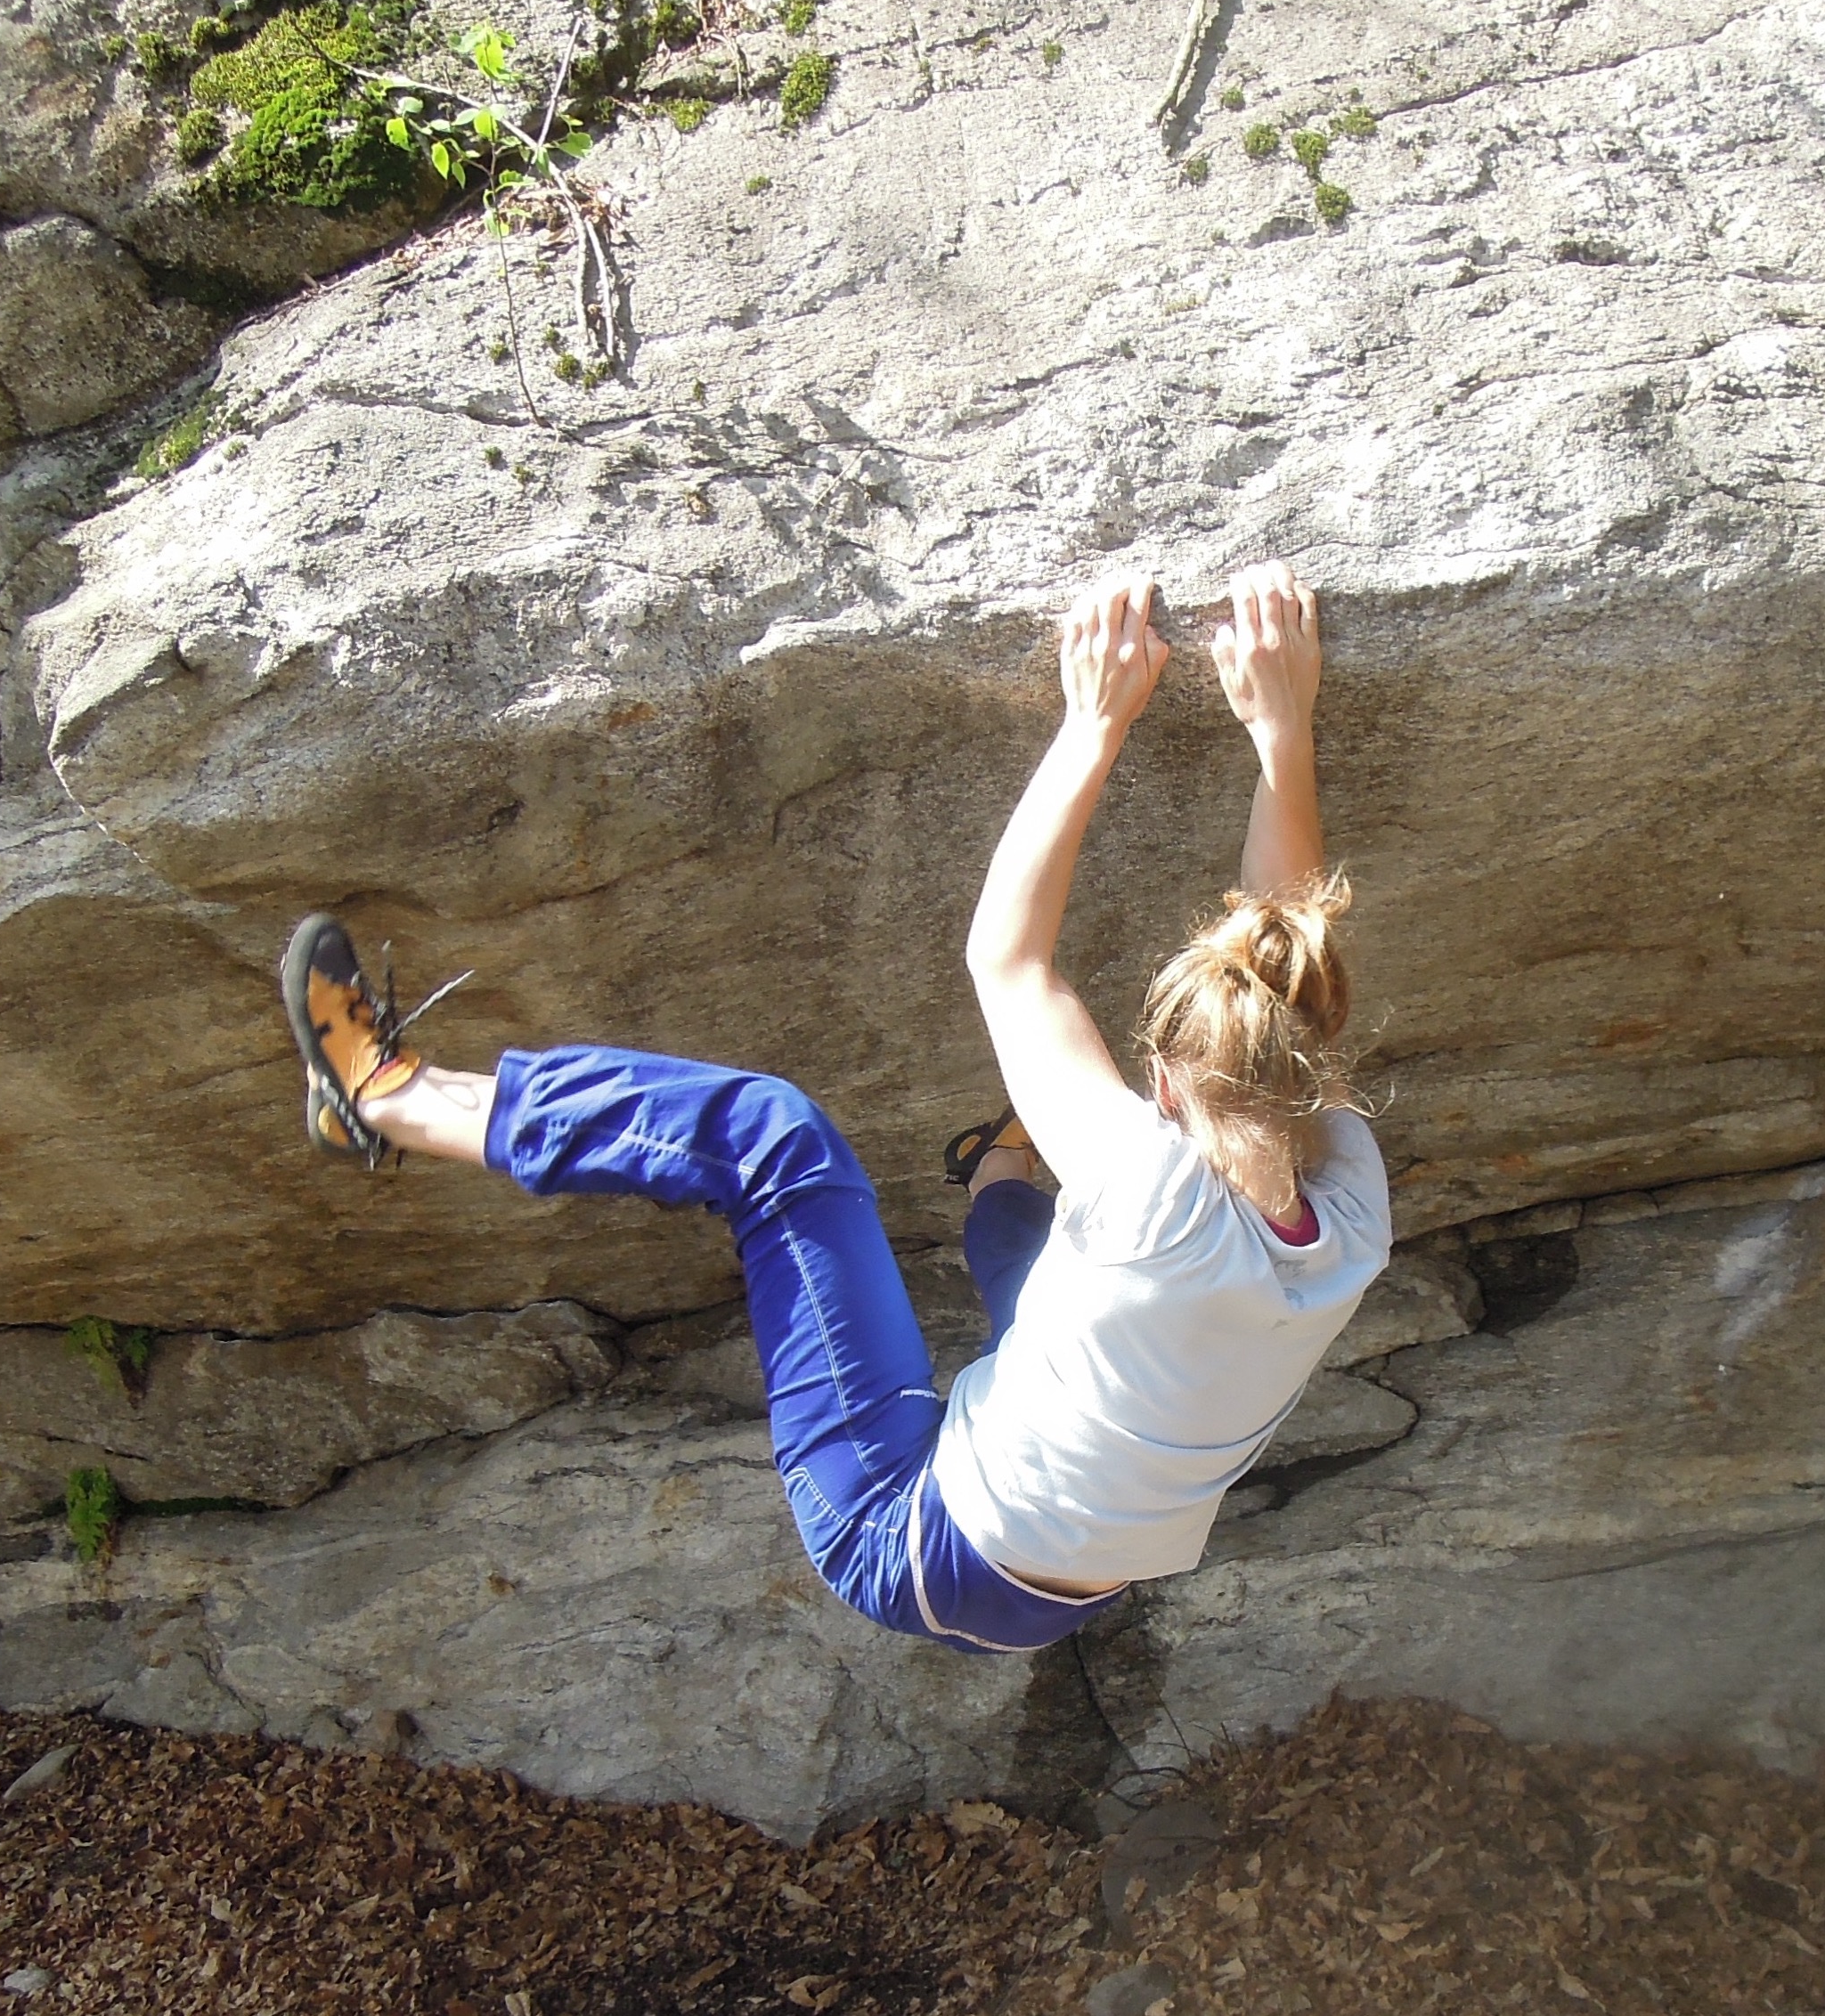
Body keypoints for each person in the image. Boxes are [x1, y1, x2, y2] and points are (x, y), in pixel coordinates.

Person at [281, 563, 1392, 1654]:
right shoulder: (1347, 1213)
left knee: (772, 1138)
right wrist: (1280, 734)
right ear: (1303, 1092)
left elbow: (1007, 962)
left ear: (1155, 1094)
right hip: (1068, 1584)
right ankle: (998, 1175)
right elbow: (1285, 982)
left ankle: (387, 1103)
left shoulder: (1154, 1197)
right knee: (1048, 1271)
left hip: (902, 1536)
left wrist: (1095, 719)